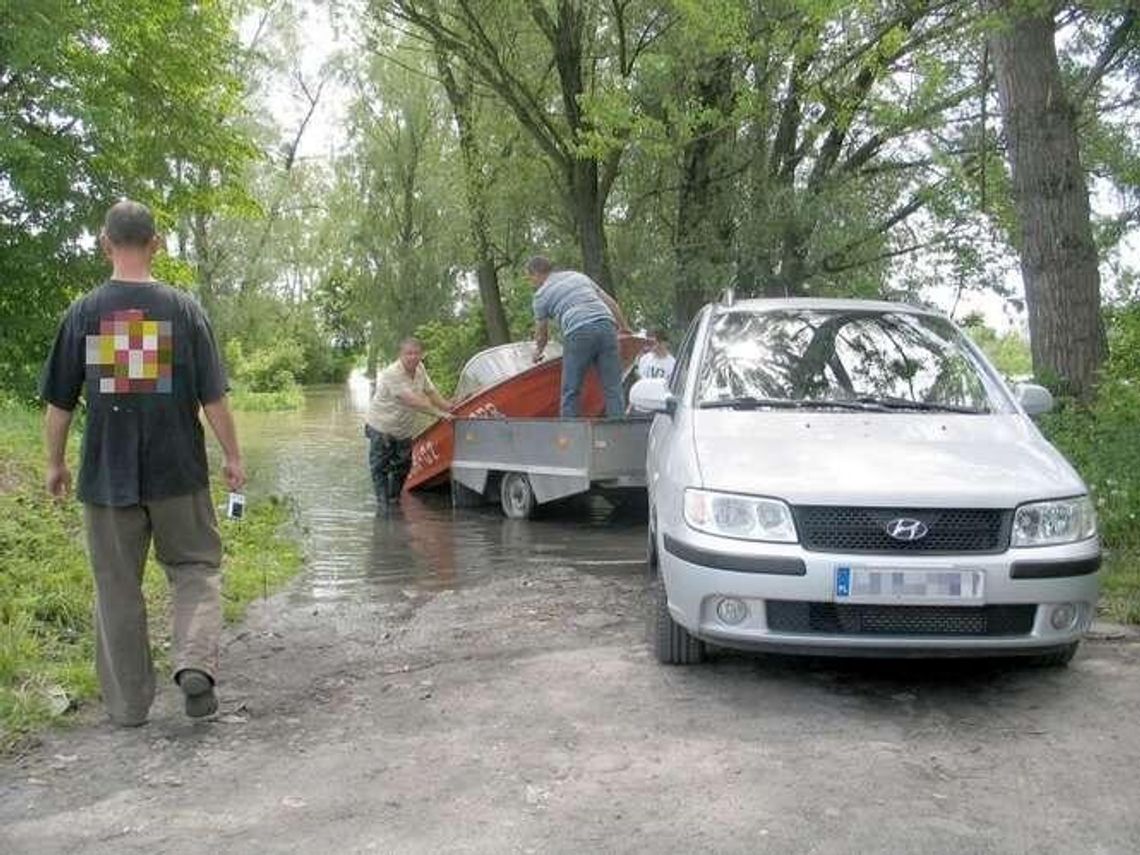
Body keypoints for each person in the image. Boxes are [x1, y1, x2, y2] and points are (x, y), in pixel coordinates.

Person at [40, 200, 244, 726]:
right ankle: (195, 664)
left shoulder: (84, 313)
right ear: (156, 244)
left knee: (116, 587)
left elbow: (59, 403)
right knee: (196, 568)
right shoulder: (184, 310)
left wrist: (55, 464)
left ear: (105, 244)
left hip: (108, 478)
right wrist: (233, 457)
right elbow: (213, 398)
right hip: (178, 471)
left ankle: (130, 708)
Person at [526, 255, 629, 418]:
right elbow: (611, 302)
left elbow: (542, 335)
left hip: (578, 331)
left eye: (531, 279)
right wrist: (624, 327)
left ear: (536, 274)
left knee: (571, 391)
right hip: (606, 326)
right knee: (613, 388)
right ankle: (618, 435)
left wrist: (537, 353)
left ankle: (570, 436)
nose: (532, 283)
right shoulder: (578, 276)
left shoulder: (540, 296)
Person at [365, 337, 452, 509]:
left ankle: (393, 501)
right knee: (380, 468)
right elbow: (412, 401)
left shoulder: (420, 369)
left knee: (403, 466)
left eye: (416, 353)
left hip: (404, 429)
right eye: (408, 354)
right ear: (401, 355)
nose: (412, 357)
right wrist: (439, 414)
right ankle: (383, 508)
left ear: (422, 355)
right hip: (381, 427)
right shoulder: (391, 373)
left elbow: (430, 392)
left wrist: (449, 407)